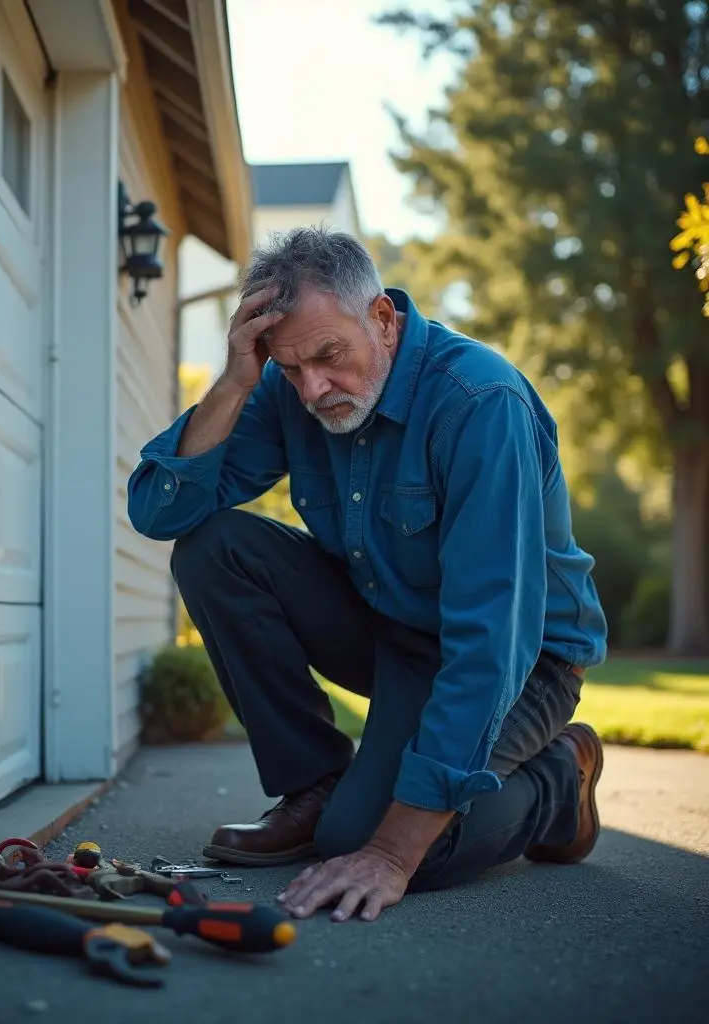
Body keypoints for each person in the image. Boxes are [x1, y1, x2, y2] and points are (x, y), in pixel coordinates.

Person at [126, 227, 608, 924]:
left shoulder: (480, 405)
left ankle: (559, 777)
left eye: (329, 356)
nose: (315, 389)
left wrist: (391, 853)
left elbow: (490, 643)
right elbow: (160, 508)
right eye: (291, 368)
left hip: (525, 661)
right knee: (212, 546)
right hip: (394, 629)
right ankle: (316, 785)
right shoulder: (288, 385)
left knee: (383, 846)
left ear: (382, 319)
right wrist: (238, 380)